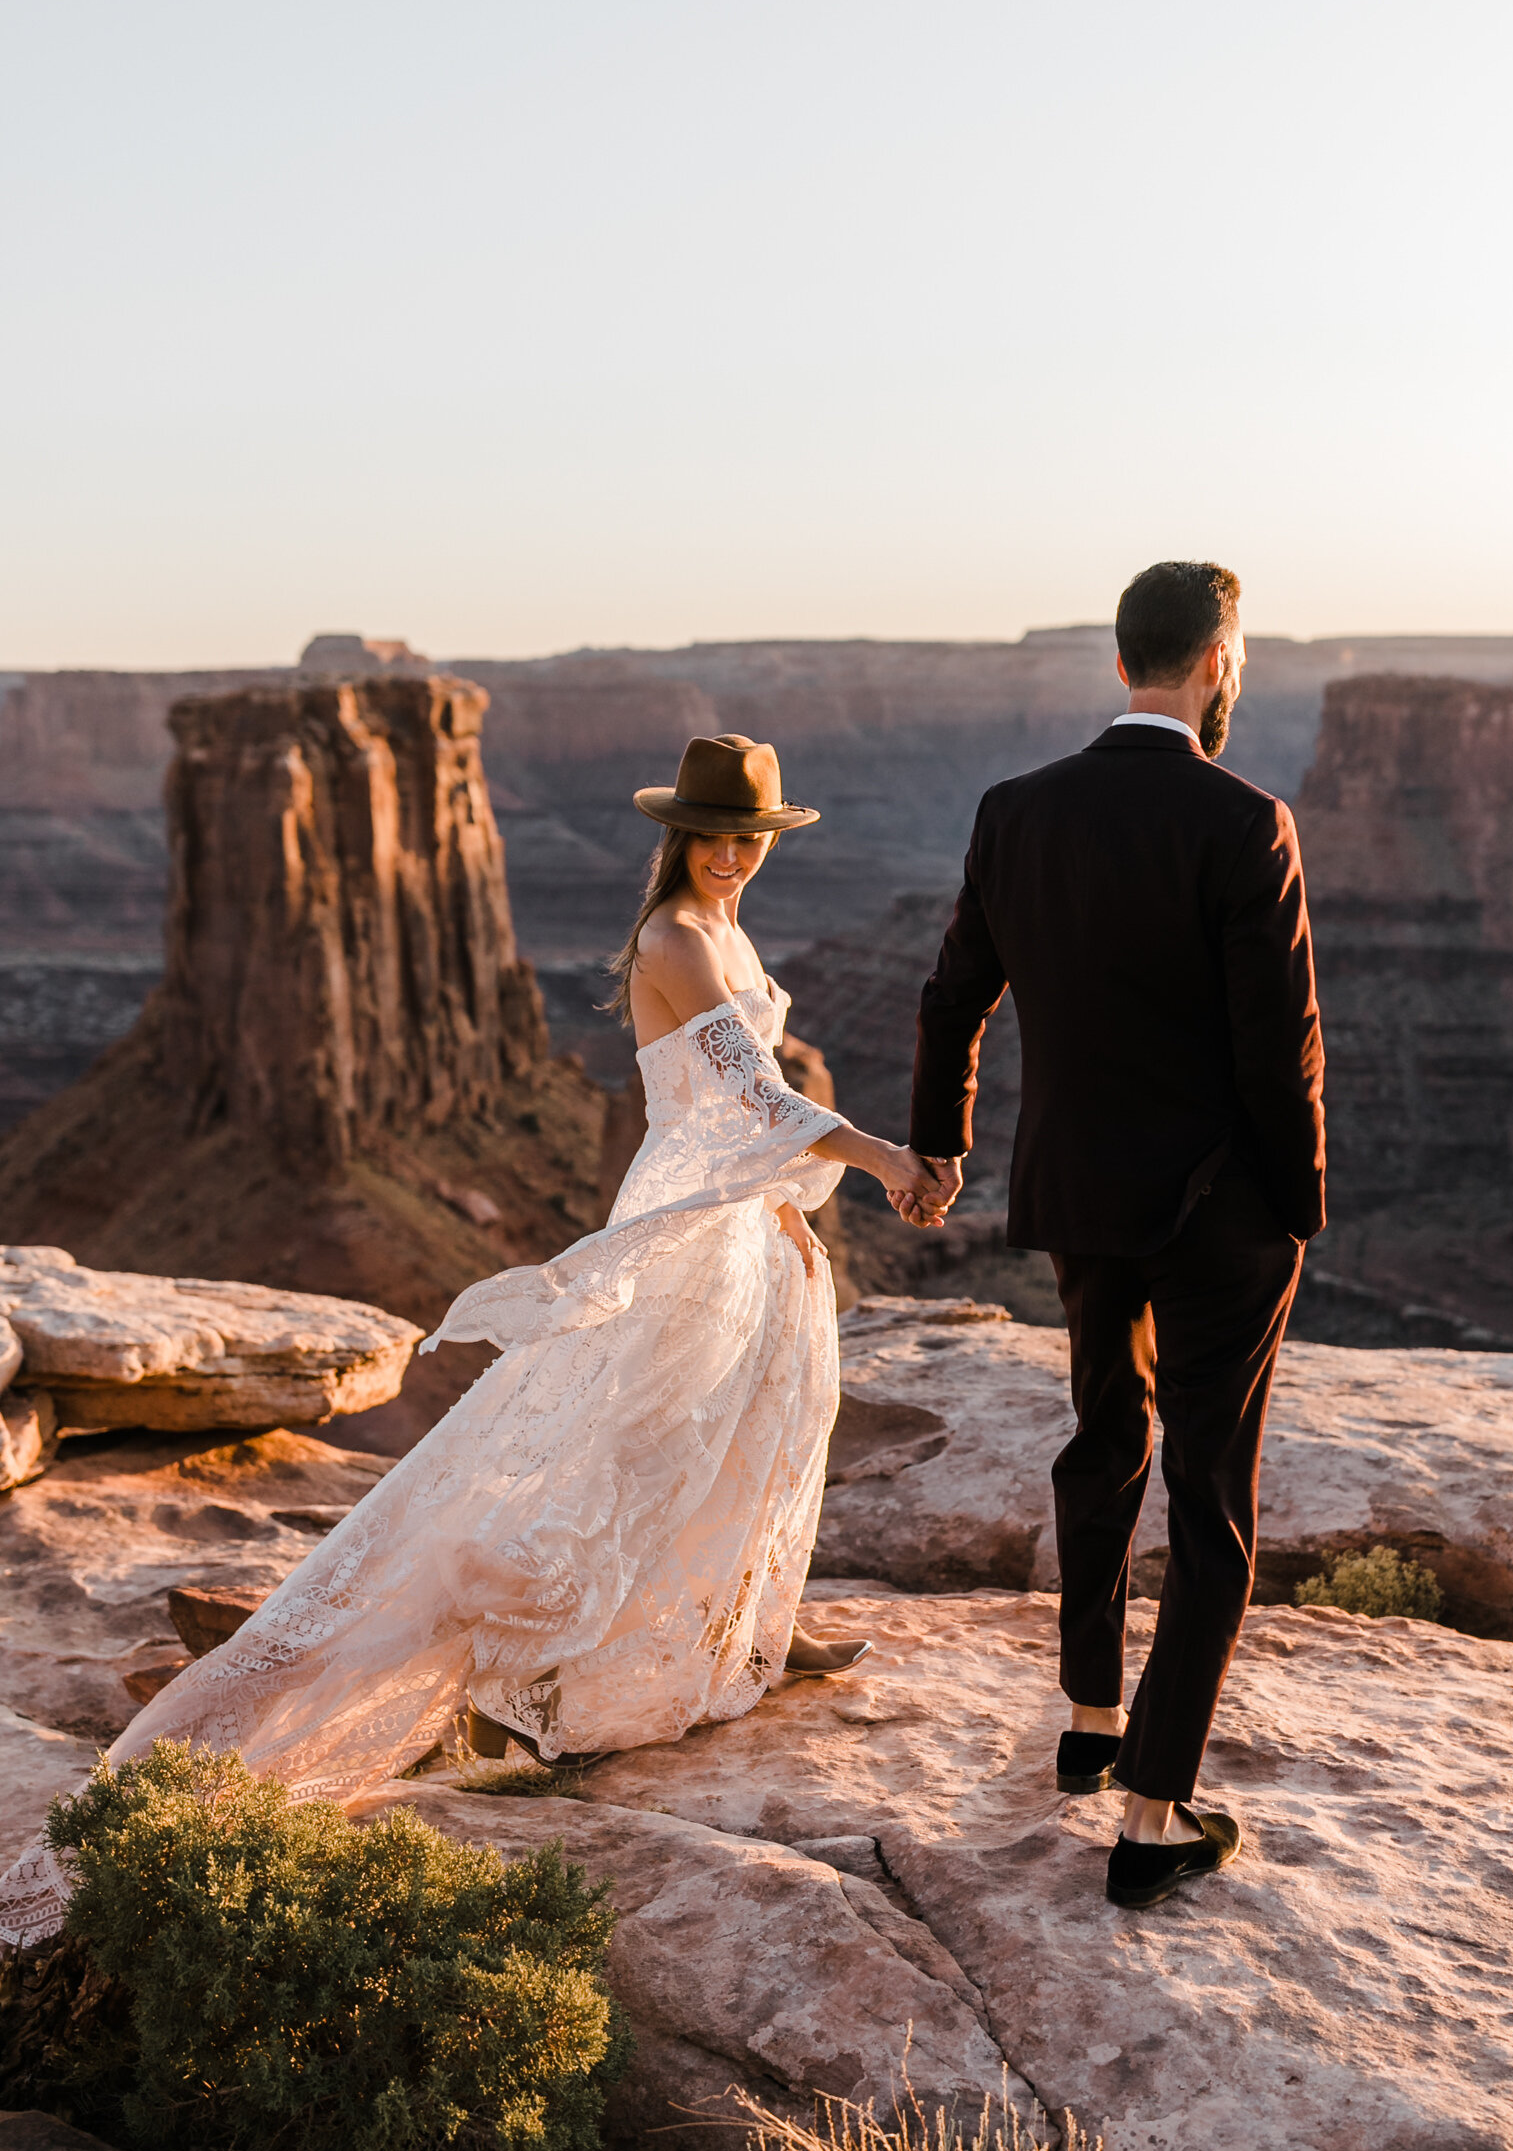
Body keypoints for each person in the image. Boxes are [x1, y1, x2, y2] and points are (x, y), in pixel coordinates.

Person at [0, 732, 945, 1951]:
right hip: (685, 1228)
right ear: (679, 838)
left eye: (750, 839)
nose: (733, 857)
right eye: (715, 836)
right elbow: (753, 1102)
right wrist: (880, 1160)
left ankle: (745, 1629)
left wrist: (801, 1209)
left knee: (761, 1423)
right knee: (634, 1442)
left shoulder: (731, 926)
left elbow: (751, 1124)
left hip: (745, 1218)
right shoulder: (672, 937)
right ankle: (520, 1682)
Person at [907, 562, 1325, 1911]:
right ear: (1216, 663)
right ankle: (1152, 1813)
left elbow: (949, 995)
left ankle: (1089, 1716)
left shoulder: (1014, 812)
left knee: (1100, 1442)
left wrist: (943, 1142)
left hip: (1076, 1197)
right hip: (1219, 1215)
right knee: (1208, 1504)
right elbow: (1280, 1051)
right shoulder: (1241, 820)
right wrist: (1297, 1204)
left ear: (1119, 663)